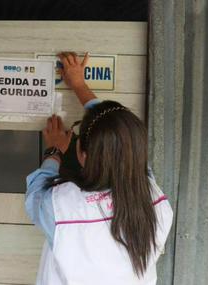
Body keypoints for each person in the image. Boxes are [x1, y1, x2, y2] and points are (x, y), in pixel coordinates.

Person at [25, 52, 174, 284]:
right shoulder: (155, 199)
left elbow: (35, 193)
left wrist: (54, 150)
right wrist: (79, 85)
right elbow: (123, 142)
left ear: (82, 154)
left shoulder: (62, 207)